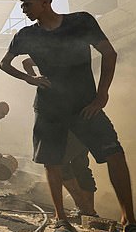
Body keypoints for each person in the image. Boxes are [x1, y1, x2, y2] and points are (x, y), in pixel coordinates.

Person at [0, 0, 136, 232]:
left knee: (114, 153)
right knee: (52, 161)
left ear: (44, 2)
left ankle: (130, 224)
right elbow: (4, 64)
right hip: (49, 109)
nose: (23, 10)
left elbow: (109, 53)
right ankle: (61, 220)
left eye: (27, 5)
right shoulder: (25, 35)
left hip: (85, 106)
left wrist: (102, 95)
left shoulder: (81, 22)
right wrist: (30, 79)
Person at [23, 57, 97, 216]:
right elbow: (26, 62)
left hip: (77, 118)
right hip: (55, 118)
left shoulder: (78, 58)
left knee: (77, 164)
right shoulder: (50, 56)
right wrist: (34, 78)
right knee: (61, 163)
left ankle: (87, 209)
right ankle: (84, 208)